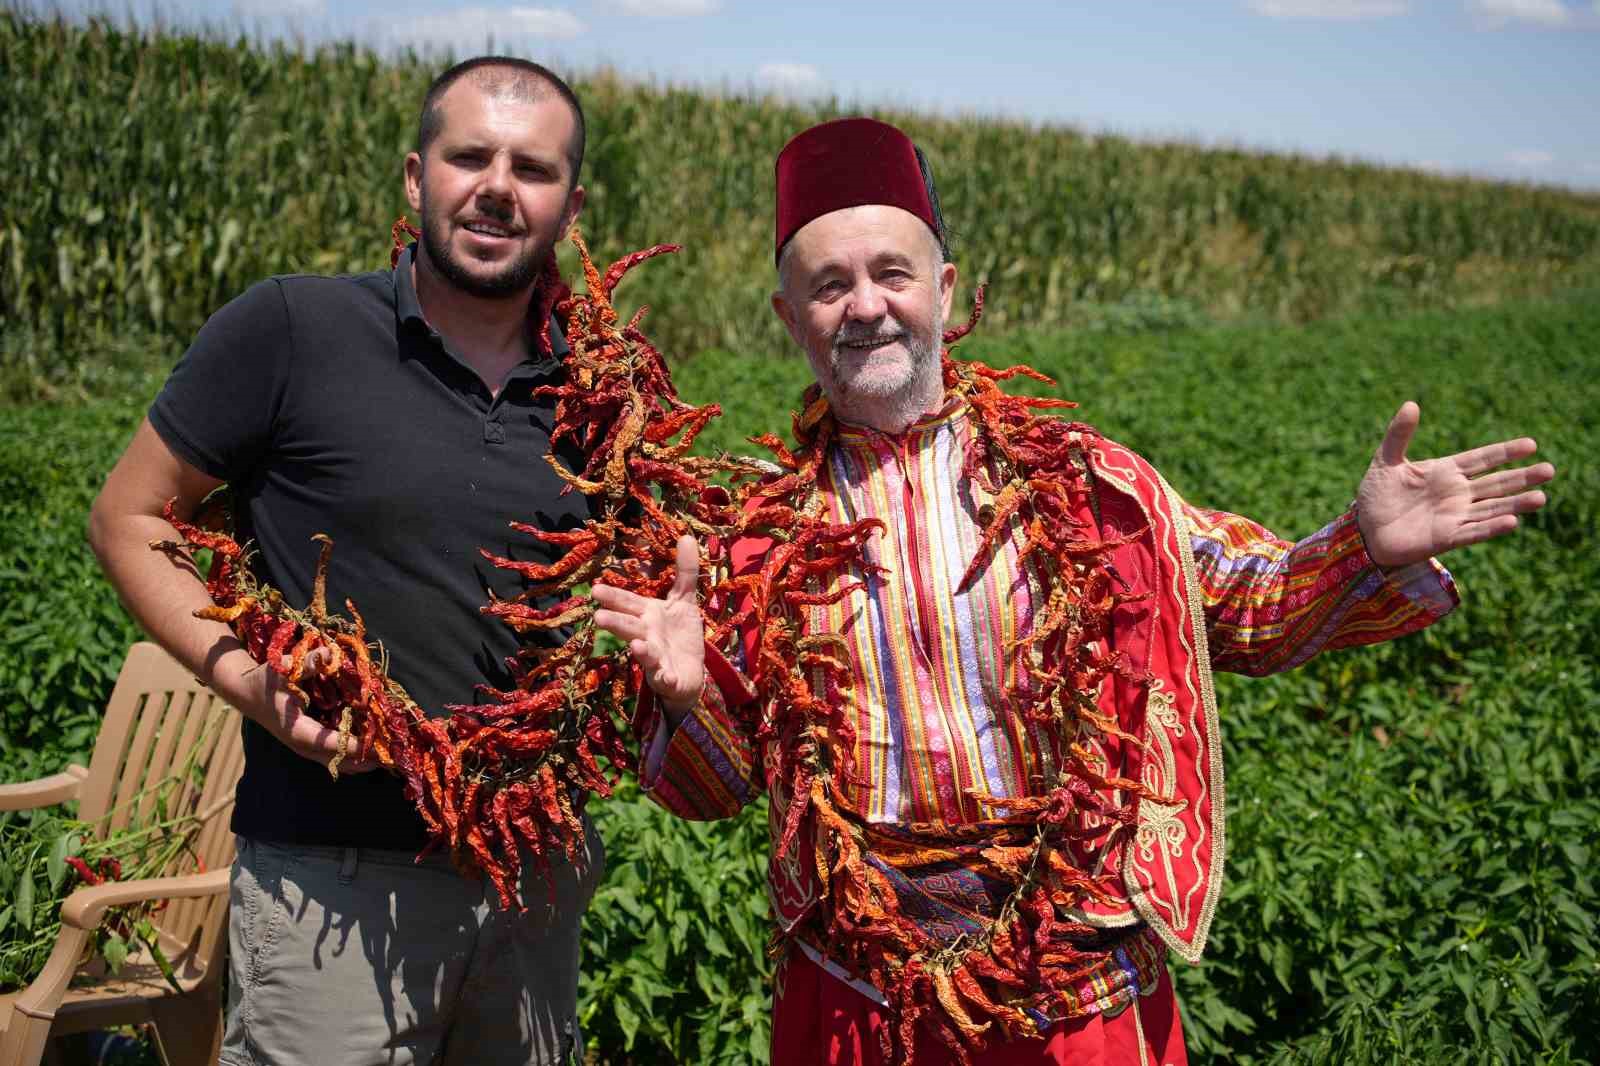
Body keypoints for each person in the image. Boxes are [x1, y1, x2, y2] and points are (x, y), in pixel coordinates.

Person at [591, 117, 1556, 1065]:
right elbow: (715, 790)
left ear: (946, 288)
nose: (867, 306)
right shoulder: (756, 540)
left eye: (893, 272)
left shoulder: (1090, 490)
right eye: (829, 285)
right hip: (858, 997)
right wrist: (687, 700)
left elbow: (1249, 607)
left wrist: (1362, 549)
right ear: (788, 316)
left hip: (1074, 986)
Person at [89, 57, 599, 1066]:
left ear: (570, 206)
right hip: (333, 878)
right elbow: (129, 518)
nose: (499, 185)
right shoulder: (292, 328)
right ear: (416, 177)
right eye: (469, 157)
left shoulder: (602, 385)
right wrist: (253, 684)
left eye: (532, 169)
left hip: (533, 877)